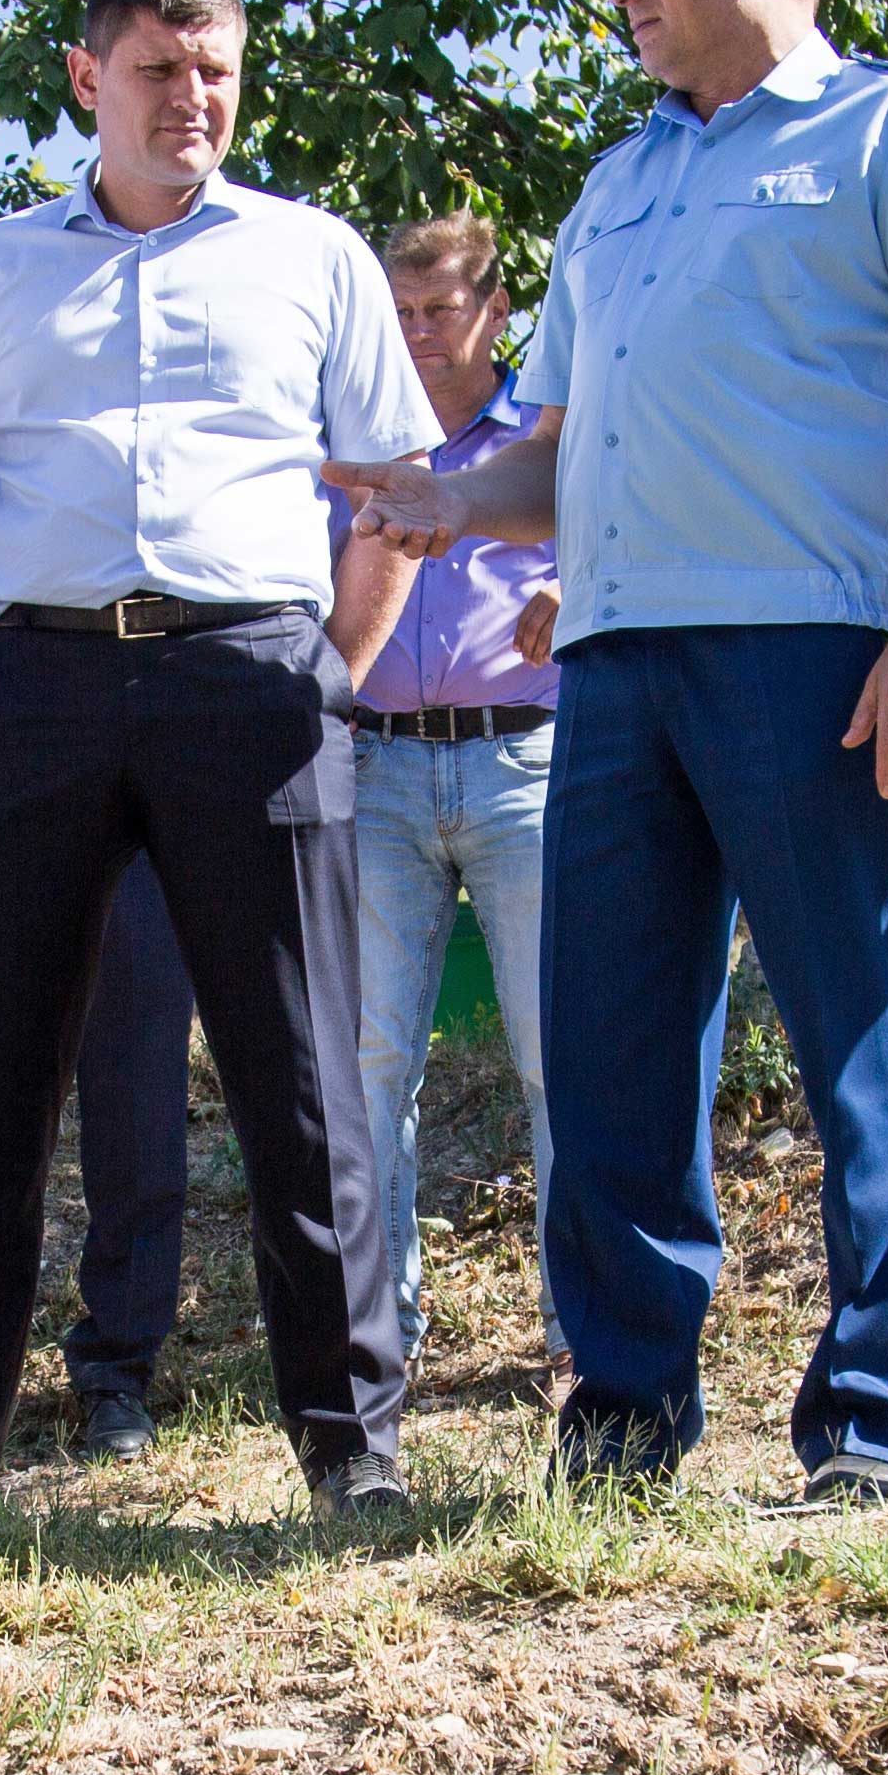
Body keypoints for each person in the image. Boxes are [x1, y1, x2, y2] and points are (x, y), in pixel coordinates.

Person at [363, 0, 888, 1503]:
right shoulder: (619, 182)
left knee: (863, 1045)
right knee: (608, 1061)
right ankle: (627, 1414)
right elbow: (561, 457)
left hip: (817, 652)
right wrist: (448, 500)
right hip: (609, 667)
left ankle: (879, 1429)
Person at [0, 0, 432, 1512]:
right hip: (34, 690)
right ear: (90, 81)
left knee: (302, 1082)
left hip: (256, 682)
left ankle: (352, 1453)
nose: (195, 99)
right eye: (161, 72)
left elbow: (391, 498)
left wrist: (330, 673)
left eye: (217, 69)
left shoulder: (315, 258)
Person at [0, 443, 201, 1462]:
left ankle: (118, 1374)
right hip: (0, 800)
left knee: (139, 1108)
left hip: (150, 813)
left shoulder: (160, 457)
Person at [324, 212, 564, 1384]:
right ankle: (378, 1339)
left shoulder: (551, 437)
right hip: (374, 769)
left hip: (527, 759)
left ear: (496, 312)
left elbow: (629, 529)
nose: (418, 333)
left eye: (441, 309)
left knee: (555, 1053)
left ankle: (585, 1330)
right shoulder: (354, 442)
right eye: (401, 311)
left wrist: (581, 588)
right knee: (370, 1063)